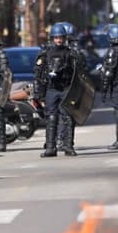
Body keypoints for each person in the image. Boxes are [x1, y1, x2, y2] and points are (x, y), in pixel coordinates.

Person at [33, 24, 82, 157]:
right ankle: (50, 147)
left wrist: (76, 52)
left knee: (68, 117)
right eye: (56, 38)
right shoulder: (45, 53)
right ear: (52, 38)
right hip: (52, 89)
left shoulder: (70, 52)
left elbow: (81, 70)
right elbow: (38, 74)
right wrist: (39, 93)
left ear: (65, 38)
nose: (59, 40)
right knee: (51, 118)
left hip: (66, 88)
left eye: (61, 37)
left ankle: (68, 146)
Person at [54, 21, 87, 156]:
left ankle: (66, 141)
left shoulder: (74, 52)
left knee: (67, 115)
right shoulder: (55, 50)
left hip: (70, 87)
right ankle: (56, 140)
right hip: (56, 87)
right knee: (56, 115)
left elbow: (82, 69)